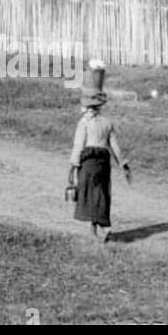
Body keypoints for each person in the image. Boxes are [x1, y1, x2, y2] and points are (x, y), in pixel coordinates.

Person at [67, 60, 131, 242]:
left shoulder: (84, 123)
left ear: (87, 105)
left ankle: (94, 230)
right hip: (103, 163)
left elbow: (78, 146)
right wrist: (124, 164)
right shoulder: (107, 122)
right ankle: (105, 227)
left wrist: (72, 168)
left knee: (88, 194)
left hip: (88, 162)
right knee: (102, 193)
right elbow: (115, 146)